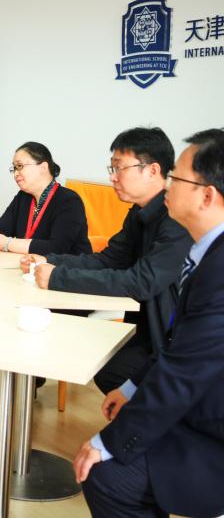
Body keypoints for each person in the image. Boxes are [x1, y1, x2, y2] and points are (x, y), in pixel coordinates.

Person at [74, 128, 224, 518]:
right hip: (200, 401)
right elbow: (180, 343)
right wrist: (133, 386)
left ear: (207, 196)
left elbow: (185, 370)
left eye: (177, 178)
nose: (167, 185)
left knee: (107, 476)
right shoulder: (208, 252)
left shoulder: (218, 267)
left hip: (211, 428)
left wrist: (109, 443)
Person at [21, 127, 191, 393]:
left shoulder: (176, 220)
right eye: (112, 168)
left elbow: (141, 282)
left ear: (152, 170)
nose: (112, 177)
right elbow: (109, 259)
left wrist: (57, 277)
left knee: (110, 372)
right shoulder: (139, 214)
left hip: (175, 341)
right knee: (102, 366)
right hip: (147, 328)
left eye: (119, 168)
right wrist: (49, 260)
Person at [0, 142, 92, 256]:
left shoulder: (69, 201)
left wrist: (7, 243)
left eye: (20, 166)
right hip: (29, 264)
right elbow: (0, 229)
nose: (16, 173)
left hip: (66, 267)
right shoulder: (22, 197)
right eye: (14, 168)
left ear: (43, 168)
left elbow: (56, 248)